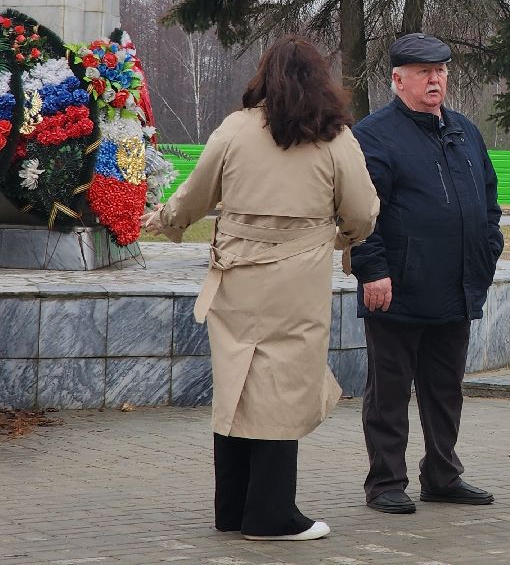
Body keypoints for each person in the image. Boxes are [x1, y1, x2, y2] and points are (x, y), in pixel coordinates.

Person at [142, 36, 378, 542]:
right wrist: (347, 238)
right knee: (283, 391)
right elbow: (361, 210)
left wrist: (164, 219)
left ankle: (232, 510)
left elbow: (195, 194)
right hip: (297, 282)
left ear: (263, 76)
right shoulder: (334, 138)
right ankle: (270, 516)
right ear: (320, 80)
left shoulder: (233, 129)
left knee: (237, 386)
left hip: (235, 278)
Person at [350, 33, 505, 515]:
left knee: (445, 390)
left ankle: (442, 475)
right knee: (389, 392)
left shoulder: (464, 131)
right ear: (398, 79)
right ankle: (385, 482)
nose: (434, 79)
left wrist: (488, 248)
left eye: (440, 71)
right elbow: (362, 212)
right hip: (396, 286)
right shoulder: (373, 135)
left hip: (455, 284)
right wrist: (373, 269)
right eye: (423, 72)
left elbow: (488, 199)